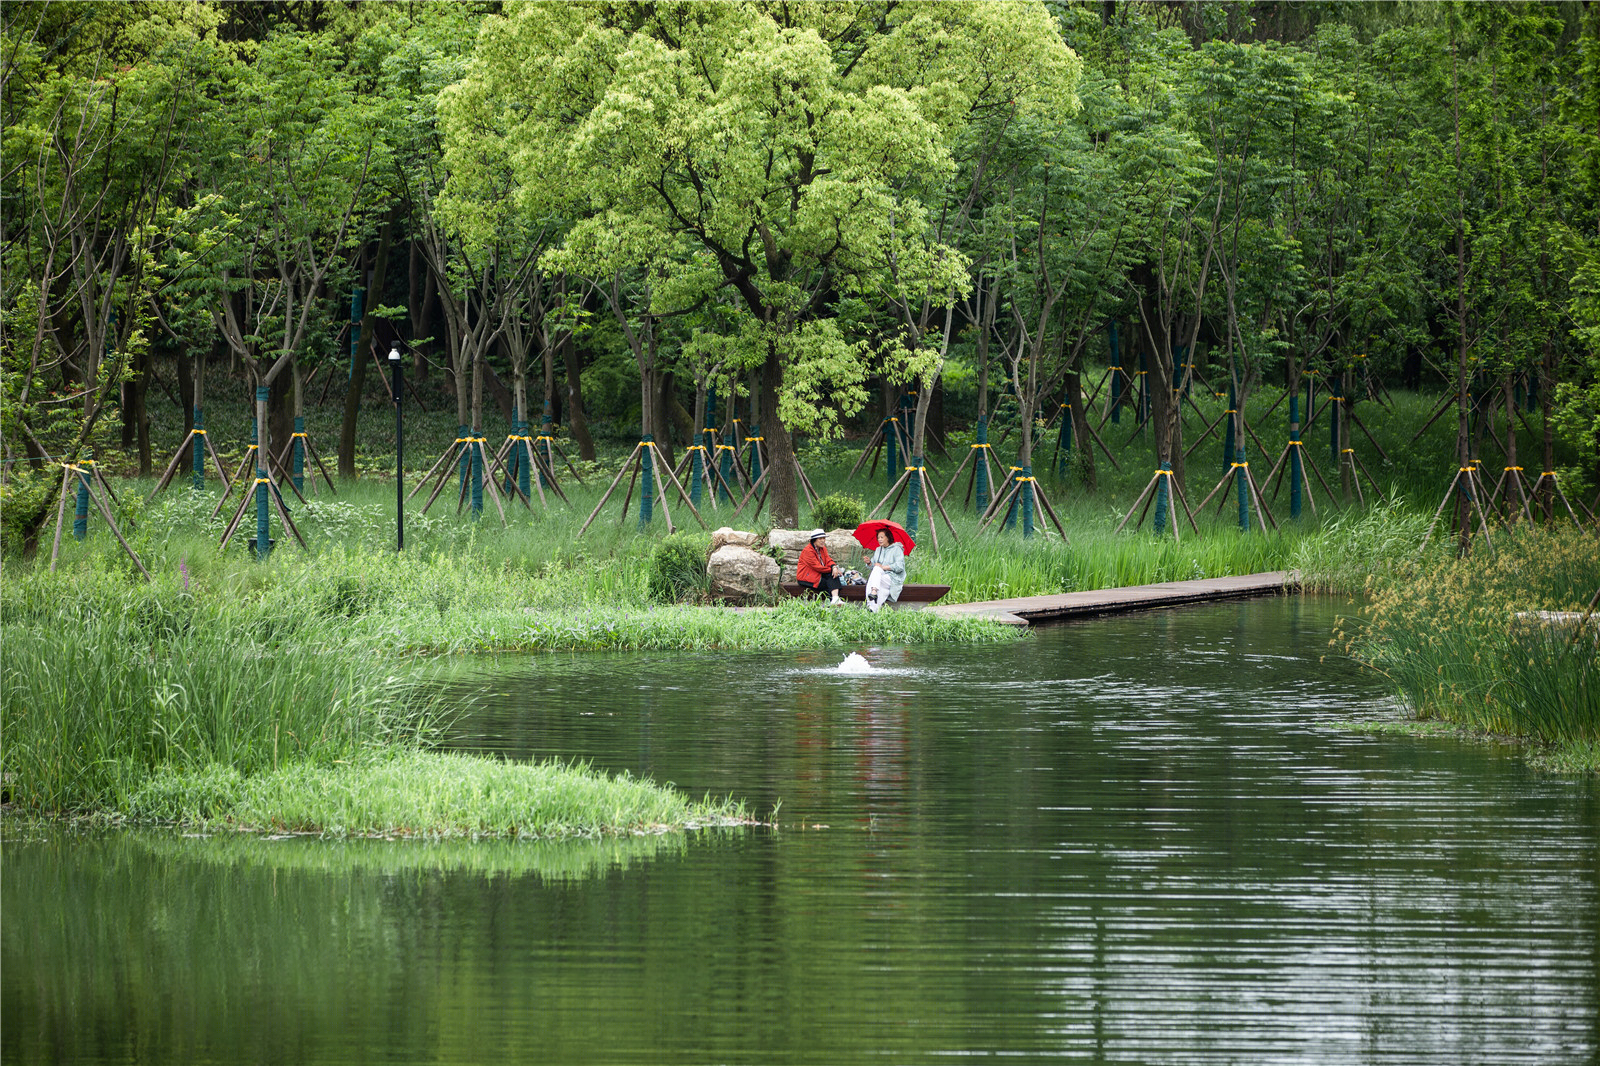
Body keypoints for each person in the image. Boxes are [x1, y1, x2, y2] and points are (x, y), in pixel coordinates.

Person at [795, 528, 845, 605]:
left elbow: (828, 559)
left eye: (824, 538)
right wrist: (833, 570)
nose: (823, 540)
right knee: (830, 582)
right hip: (806, 577)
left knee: (833, 577)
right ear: (814, 540)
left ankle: (834, 600)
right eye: (820, 538)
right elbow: (817, 567)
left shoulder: (823, 548)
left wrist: (834, 567)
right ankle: (833, 601)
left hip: (817, 574)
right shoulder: (807, 551)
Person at [864, 527, 905, 612]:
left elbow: (900, 566)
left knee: (875, 573)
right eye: (878, 538)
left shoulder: (896, 549)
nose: (879, 540)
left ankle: (873, 593)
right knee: (876, 580)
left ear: (888, 537)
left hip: (893, 578)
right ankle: (873, 608)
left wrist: (883, 567)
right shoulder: (878, 550)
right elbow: (874, 565)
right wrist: (869, 563)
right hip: (880, 578)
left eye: (882, 537)